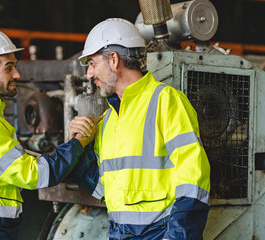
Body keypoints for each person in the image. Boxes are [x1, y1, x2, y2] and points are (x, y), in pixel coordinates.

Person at [0, 27, 100, 240]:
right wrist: (79, 143)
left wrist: (69, 144)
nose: (17, 74)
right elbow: (33, 175)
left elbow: (14, 160)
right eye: (9, 68)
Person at [69, 18, 211, 239]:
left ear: (114, 60)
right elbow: (104, 190)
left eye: (92, 63)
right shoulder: (108, 119)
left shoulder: (166, 101)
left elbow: (194, 179)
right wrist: (79, 147)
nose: (89, 74)